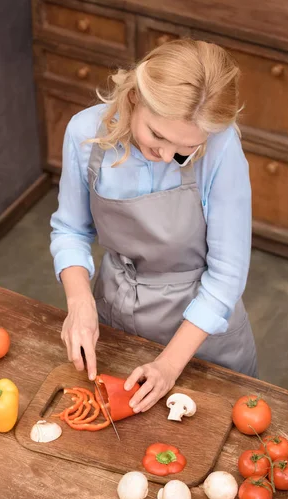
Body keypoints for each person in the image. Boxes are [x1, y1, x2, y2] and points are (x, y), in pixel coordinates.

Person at [50, 38, 257, 415]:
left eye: (185, 150)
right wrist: (79, 302)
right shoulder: (84, 134)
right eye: (157, 135)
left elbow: (227, 275)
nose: (166, 156)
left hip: (202, 340)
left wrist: (169, 365)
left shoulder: (223, 147)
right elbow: (71, 231)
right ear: (133, 98)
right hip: (113, 320)